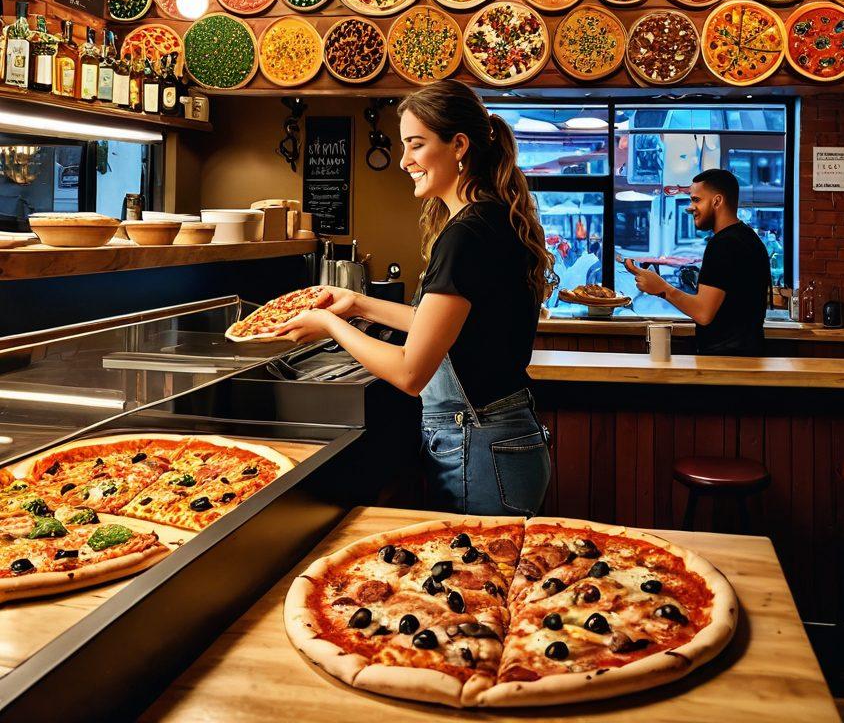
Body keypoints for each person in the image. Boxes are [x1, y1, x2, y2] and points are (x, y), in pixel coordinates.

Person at [272, 80, 555, 516]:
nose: (404, 160)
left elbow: (410, 373)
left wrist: (330, 324)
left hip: (479, 443)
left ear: (458, 145)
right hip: (499, 437)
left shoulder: (464, 236)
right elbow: (441, 325)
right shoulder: (491, 217)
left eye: (416, 145)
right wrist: (356, 303)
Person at [624, 168, 771, 356]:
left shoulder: (723, 244)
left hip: (726, 362)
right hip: (747, 357)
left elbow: (703, 313)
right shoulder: (749, 239)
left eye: (696, 200)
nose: (689, 207)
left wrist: (662, 288)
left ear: (717, 201)